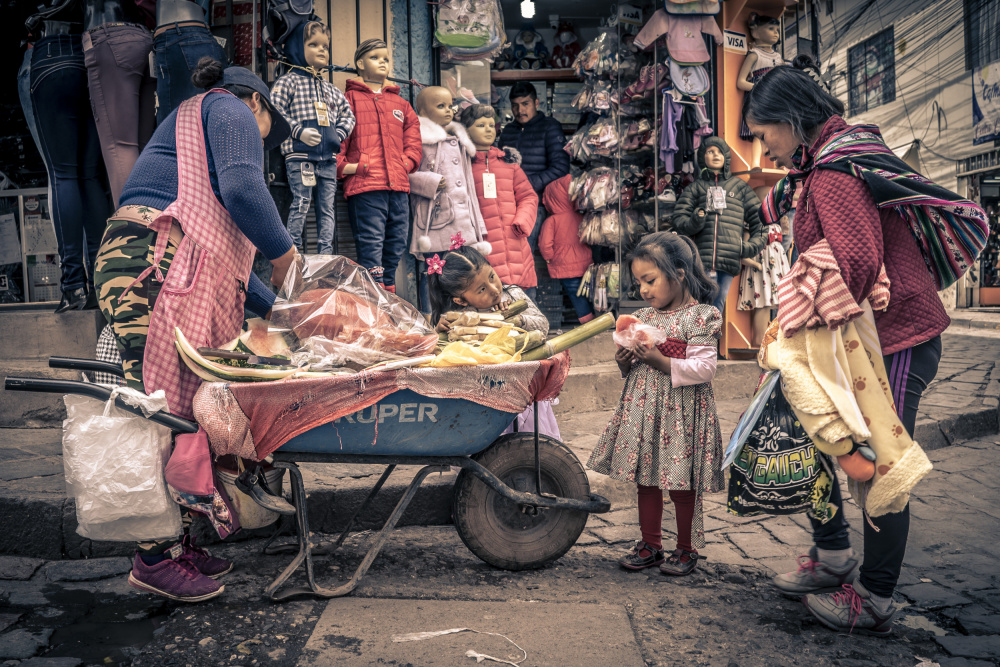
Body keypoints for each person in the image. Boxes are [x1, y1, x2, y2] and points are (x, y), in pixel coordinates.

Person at [744, 57, 987, 635]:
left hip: (894, 340)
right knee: (820, 436)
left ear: (794, 119)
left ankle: (875, 596)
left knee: (879, 466)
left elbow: (854, 261)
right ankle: (832, 559)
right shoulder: (824, 163)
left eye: (764, 133)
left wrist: (799, 311)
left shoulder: (833, 171)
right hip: (860, 337)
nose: (763, 149)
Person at [93, 57, 297, 603]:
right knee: (163, 411)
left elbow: (235, 275)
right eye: (267, 133)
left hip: (162, 262)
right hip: (148, 264)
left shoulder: (201, 133)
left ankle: (178, 544)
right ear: (256, 102)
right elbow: (245, 189)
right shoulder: (227, 106)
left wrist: (287, 311)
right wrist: (286, 255)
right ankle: (153, 558)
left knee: (182, 405)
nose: (261, 147)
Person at [587, 232, 723, 576]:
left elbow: (705, 369)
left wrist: (659, 360)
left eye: (650, 280)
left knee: (680, 482)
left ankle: (685, 548)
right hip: (645, 407)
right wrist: (624, 361)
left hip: (682, 410)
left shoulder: (701, 317)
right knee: (645, 478)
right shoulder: (644, 315)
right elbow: (630, 368)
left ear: (678, 272)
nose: (644, 290)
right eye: (639, 282)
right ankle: (651, 545)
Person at [337, 38, 422, 293]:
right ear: (360, 64)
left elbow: (414, 139)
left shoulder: (401, 104)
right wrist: (351, 167)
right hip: (365, 187)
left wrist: (406, 163)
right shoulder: (348, 99)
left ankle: (389, 299)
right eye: (375, 57)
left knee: (396, 244)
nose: (383, 61)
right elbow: (337, 142)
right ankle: (373, 304)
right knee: (370, 246)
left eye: (385, 57)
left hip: (398, 186)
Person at [270, 20, 355, 255]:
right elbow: (275, 111)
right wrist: (298, 131)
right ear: (298, 46)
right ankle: (293, 253)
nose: (321, 50)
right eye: (313, 44)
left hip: (328, 158)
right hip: (299, 157)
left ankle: (325, 254)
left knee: (327, 208)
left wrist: (336, 135)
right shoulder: (288, 81)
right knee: (301, 203)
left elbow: (349, 116)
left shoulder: (330, 89)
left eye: (325, 46)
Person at [671, 136, 765, 315]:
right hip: (700, 259)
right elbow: (679, 221)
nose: (716, 155)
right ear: (702, 157)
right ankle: (698, 341)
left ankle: (711, 343)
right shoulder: (695, 188)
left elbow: (759, 219)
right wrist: (696, 220)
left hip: (728, 257)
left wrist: (749, 247)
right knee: (697, 304)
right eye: (710, 151)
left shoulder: (739, 188)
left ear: (727, 157)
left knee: (718, 304)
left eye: (720, 152)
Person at [459, 104, 538, 298]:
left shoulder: (508, 165)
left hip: (516, 243)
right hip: (483, 247)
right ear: (465, 130)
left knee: (528, 308)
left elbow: (528, 196)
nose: (488, 129)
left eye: (490, 124)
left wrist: (521, 222)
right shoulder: (461, 166)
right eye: (480, 125)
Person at [497, 80, 571, 281]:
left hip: (536, 204)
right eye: (515, 105)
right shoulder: (508, 131)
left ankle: (525, 299)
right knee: (506, 255)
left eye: (525, 104)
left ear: (537, 103)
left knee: (523, 254)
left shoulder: (550, 127)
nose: (519, 110)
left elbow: (560, 169)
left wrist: (525, 186)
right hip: (507, 202)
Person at [409, 88, 490, 257]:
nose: (448, 110)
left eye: (450, 105)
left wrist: (478, 225)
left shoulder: (459, 140)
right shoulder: (418, 138)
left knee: (461, 274)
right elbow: (403, 173)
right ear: (423, 111)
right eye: (441, 106)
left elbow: (469, 188)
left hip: (464, 222)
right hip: (436, 219)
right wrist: (430, 181)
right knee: (436, 272)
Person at [539, 174, 595, 324]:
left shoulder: (552, 221)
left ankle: (588, 323)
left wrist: (549, 257)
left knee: (575, 293)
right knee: (587, 291)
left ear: (551, 199)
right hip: (585, 261)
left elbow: (545, 244)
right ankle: (595, 316)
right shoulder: (580, 216)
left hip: (565, 264)